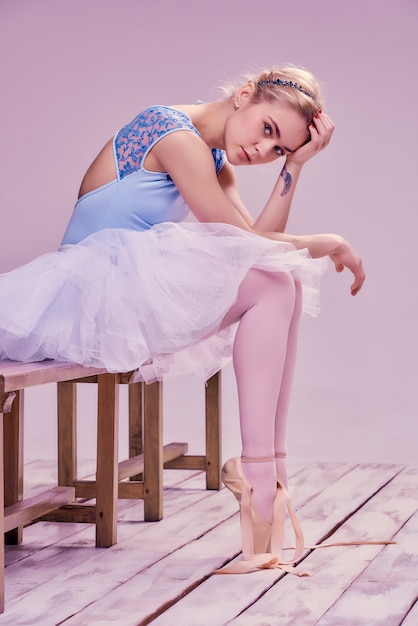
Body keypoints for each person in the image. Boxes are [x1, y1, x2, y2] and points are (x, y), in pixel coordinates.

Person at [0, 65, 365, 574]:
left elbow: (252, 243)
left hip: (129, 287)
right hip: (92, 291)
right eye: (267, 130)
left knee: (284, 279)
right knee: (277, 279)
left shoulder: (218, 160)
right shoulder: (173, 135)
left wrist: (295, 170)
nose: (264, 151)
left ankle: (269, 474)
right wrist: (328, 242)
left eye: (278, 149)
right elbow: (248, 245)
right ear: (243, 96)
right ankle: (262, 480)